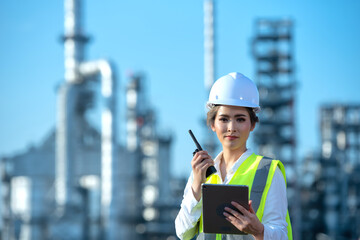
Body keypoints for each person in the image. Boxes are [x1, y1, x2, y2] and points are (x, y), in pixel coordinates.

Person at [175, 72, 292, 240]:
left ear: (252, 124)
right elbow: (182, 232)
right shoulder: (201, 172)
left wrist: (259, 230)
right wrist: (196, 186)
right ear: (212, 124)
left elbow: (282, 234)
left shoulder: (269, 172)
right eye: (224, 119)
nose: (231, 127)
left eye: (240, 119)